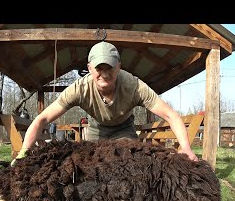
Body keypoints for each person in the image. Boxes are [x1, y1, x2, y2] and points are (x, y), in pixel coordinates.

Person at [11, 41, 199, 165]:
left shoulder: (134, 86)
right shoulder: (80, 89)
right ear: (89, 69)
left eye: (109, 67)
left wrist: (186, 148)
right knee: (91, 166)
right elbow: (42, 119)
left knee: (131, 163)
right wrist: (24, 151)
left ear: (119, 67)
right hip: (96, 129)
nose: (105, 74)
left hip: (124, 129)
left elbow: (170, 115)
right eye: (99, 68)